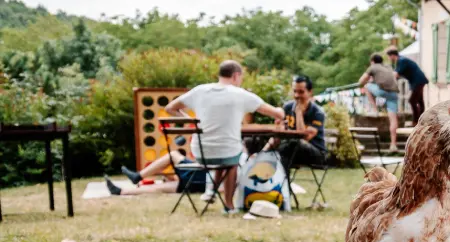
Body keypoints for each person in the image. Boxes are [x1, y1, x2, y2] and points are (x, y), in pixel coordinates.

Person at [162, 60, 285, 211]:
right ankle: (228, 205)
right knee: (231, 158)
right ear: (236, 76)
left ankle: (211, 191)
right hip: (226, 153)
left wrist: (192, 123)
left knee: (225, 152)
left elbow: (170, 108)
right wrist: (280, 110)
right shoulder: (241, 94)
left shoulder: (200, 91)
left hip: (201, 153)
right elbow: (276, 113)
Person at [275, 75, 327, 169]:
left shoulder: (317, 112)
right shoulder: (287, 107)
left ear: (310, 92)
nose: (296, 95)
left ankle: (283, 181)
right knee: (256, 142)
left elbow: (303, 138)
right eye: (295, 91)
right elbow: (280, 132)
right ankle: (283, 181)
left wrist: (298, 113)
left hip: (315, 154)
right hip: (290, 150)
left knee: (294, 143)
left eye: (301, 92)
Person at [105, 152, 208, 197]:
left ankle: (137, 176)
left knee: (173, 155)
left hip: (203, 178)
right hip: (204, 182)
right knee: (164, 187)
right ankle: (121, 191)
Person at [359, 53, 401, 152]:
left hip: (382, 91)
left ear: (372, 61)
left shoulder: (373, 67)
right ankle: (393, 145)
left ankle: (375, 109)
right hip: (394, 93)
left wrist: (367, 81)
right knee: (393, 119)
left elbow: (361, 81)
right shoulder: (387, 66)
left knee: (366, 87)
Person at [386, 46, 428, 123]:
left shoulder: (401, 60)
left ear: (392, 55)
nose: (389, 58)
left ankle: (416, 121)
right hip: (418, 81)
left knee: (412, 101)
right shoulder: (401, 61)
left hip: (418, 81)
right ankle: (421, 121)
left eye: (388, 56)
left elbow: (396, 74)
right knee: (419, 101)